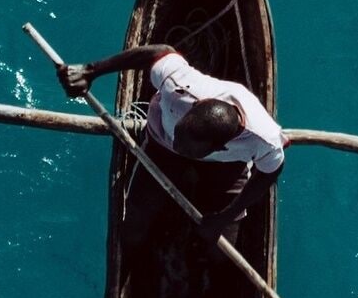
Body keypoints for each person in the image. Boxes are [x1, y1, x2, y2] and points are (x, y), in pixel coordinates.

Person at [58, 43, 286, 238]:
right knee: (133, 223)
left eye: (187, 150)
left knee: (225, 237)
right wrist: (90, 71)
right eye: (179, 135)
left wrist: (224, 217)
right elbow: (158, 52)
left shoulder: (263, 140)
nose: (178, 147)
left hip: (226, 166)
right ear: (193, 107)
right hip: (160, 144)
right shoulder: (179, 87)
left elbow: (269, 173)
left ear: (221, 147)